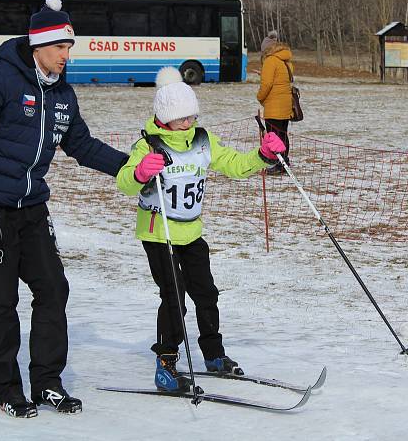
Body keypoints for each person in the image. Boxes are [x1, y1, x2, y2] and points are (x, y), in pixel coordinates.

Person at [0, 0, 129, 418]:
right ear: (39, 46)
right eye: (61, 47)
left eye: (70, 46)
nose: (68, 55)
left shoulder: (63, 94)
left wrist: (131, 167)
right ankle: (8, 388)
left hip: (32, 208)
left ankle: (47, 382)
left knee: (53, 289)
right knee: (0, 299)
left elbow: (80, 144)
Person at [116, 67, 286, 392]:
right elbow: (124, 182)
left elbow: (235, 165)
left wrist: (263, 156)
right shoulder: (149, 146)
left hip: (191, 233)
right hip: (159, 234)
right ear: (164, 118)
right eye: (181, 118)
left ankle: (214, 354)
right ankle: (166, 364)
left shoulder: (203, 140)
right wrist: (139, 173)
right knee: (174, 298)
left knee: (206, 293)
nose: (188, 123)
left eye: (192, 117)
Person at [257, 39, 294, 174]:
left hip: (274, 106)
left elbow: (266, 85)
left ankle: (278, 164)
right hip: (286, 105)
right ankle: (284, 161)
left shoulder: (270, 61)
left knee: (273, 136)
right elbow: (281, 80)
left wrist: (259, 97)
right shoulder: (286, 61)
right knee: (282, 134)